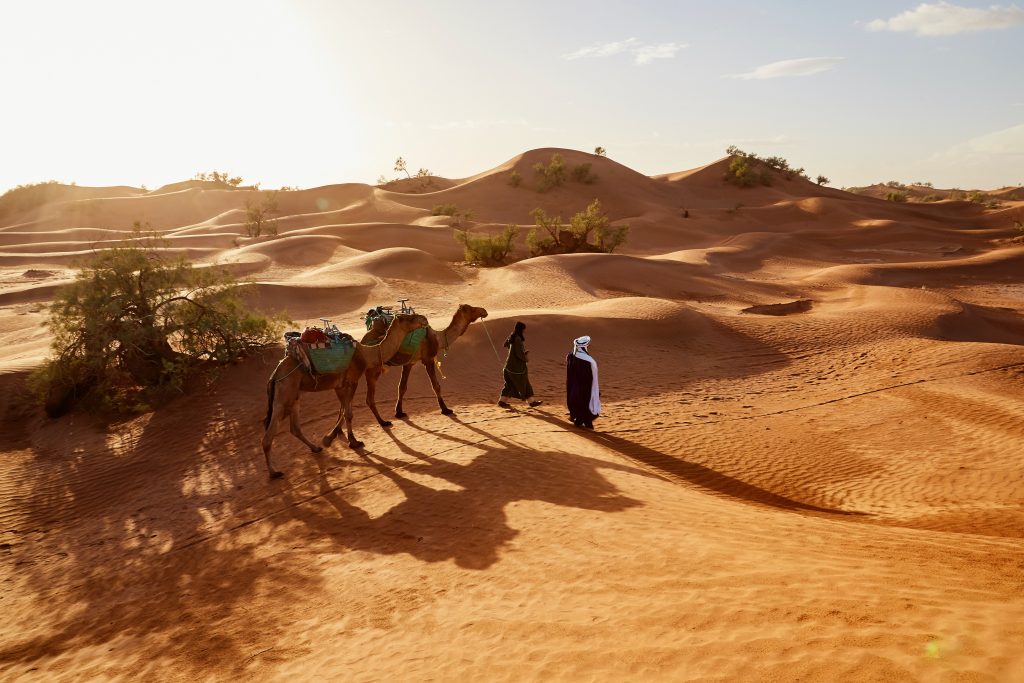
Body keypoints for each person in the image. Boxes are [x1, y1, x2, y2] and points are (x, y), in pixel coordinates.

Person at [498, 321, 543, 409]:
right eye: (523, 329)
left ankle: (502, 401)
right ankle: (531, 401)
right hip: (516, 369)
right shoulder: (517, 338)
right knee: (525, 383)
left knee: (509, 384)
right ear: (521, 329)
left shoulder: (512, 336)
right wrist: (525, 357)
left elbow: (505, 345)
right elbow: (519, 354)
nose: (524, 331)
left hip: (508, 367)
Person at [566, 335, 600, 428]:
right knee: (586, 403)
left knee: (577, 402)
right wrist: (594, 388)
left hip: (573, 386)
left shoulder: (570, 356)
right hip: (585, 387)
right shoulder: (588, 360)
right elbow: (590, 376)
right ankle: (585, 422)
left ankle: (578, 420)